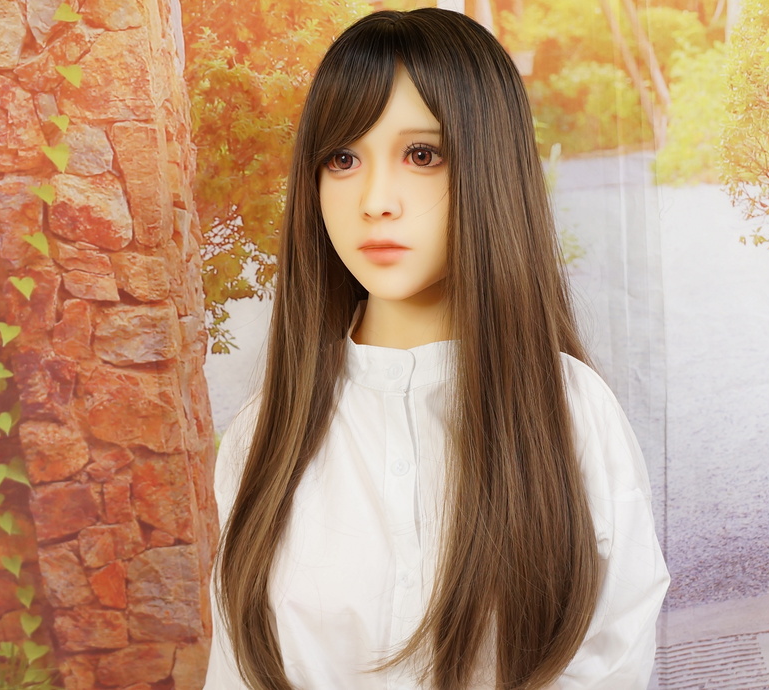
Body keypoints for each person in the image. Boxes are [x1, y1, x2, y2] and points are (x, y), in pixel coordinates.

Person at [205, 8, 668, 690]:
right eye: (343, 158)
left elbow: (613, 660)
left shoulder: (572, 413)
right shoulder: (262, 437)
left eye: (421, 155)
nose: (376, 200)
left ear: (491, 168)